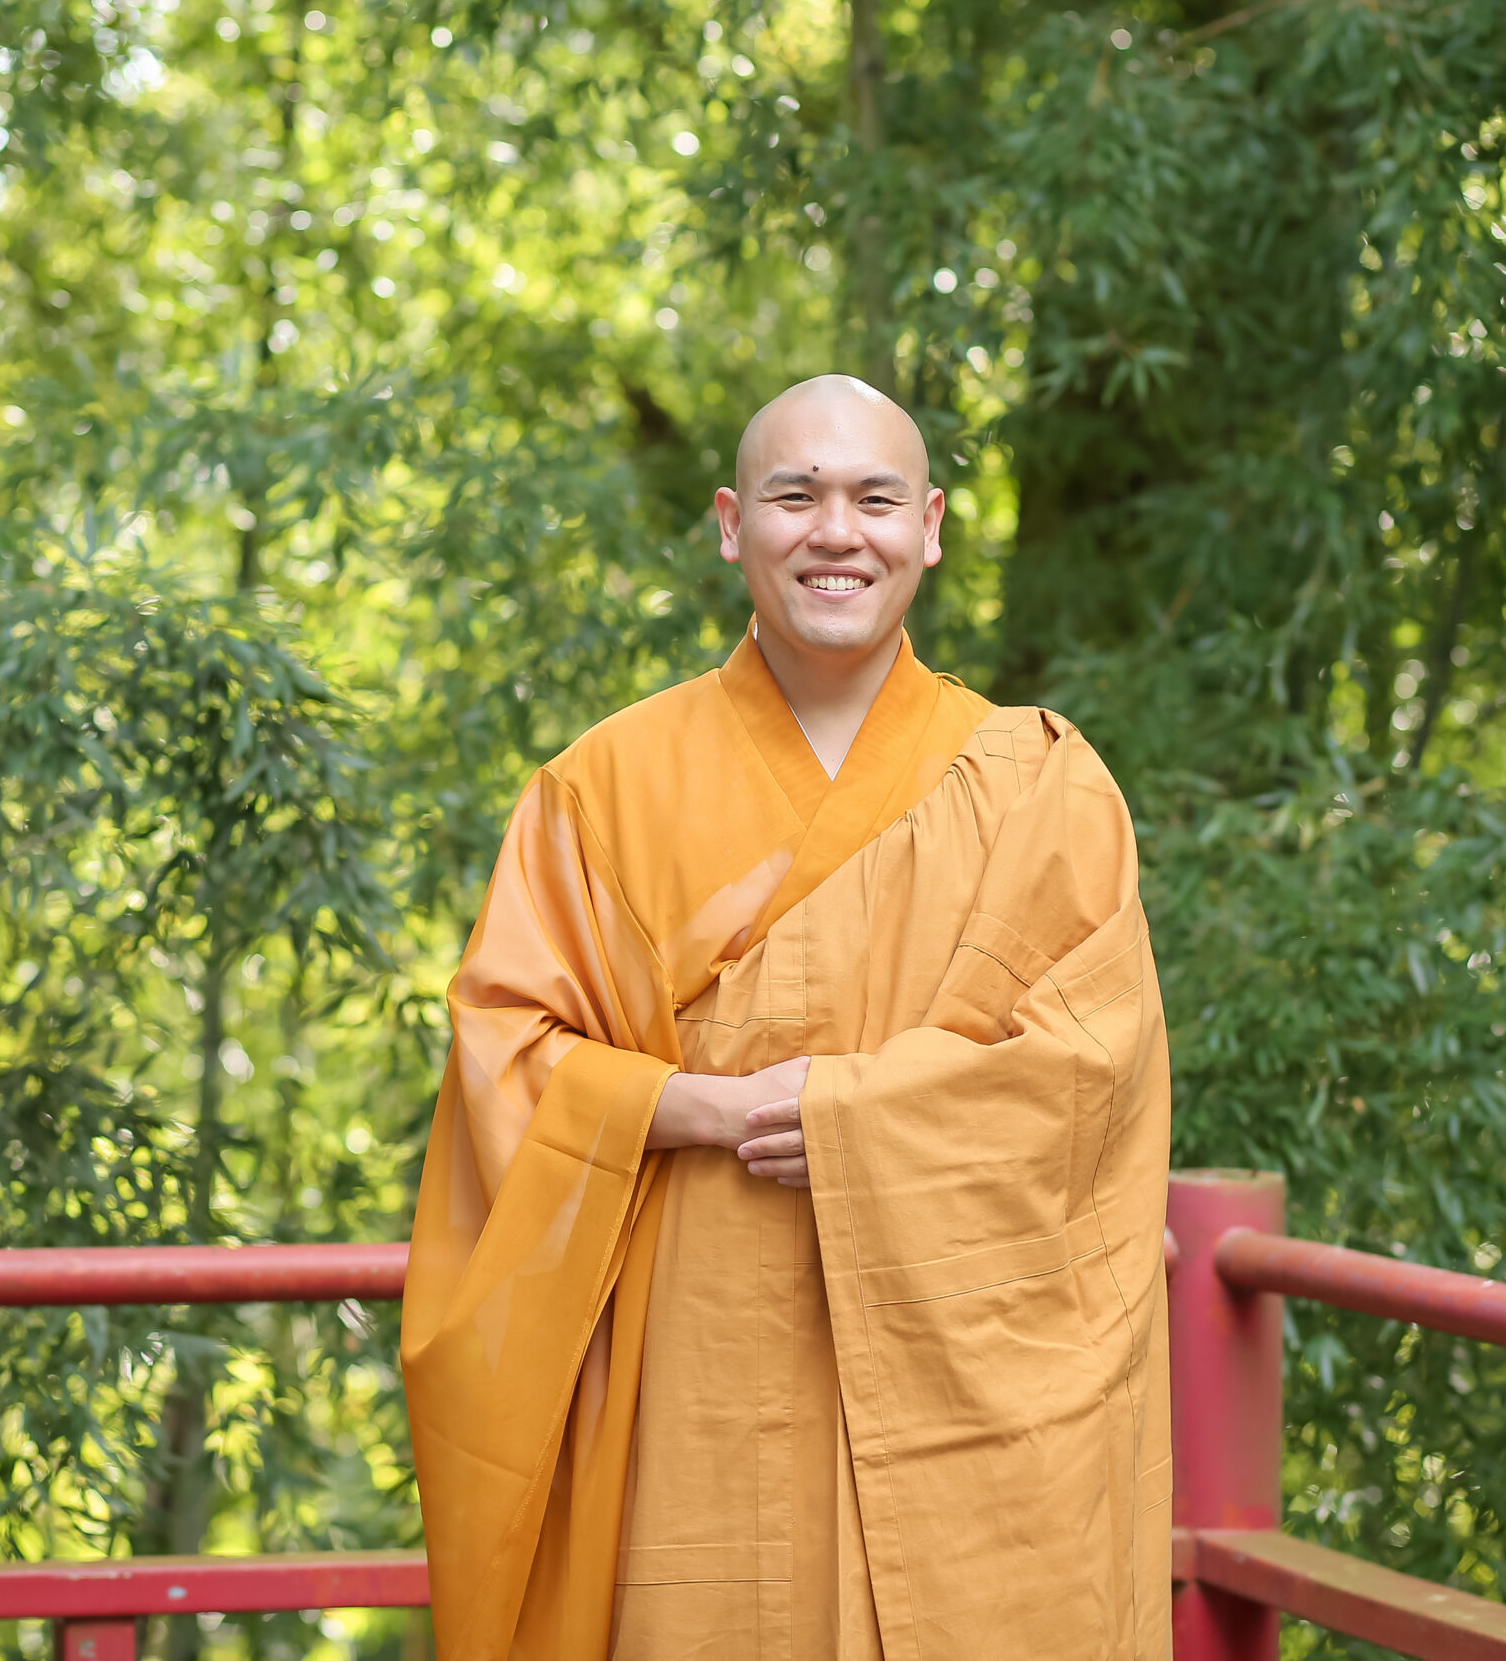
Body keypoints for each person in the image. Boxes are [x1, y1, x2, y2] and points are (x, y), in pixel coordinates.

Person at [401, 375, 1172, 1660]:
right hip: (696, 1348)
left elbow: (1089, 1075)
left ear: (929, 526)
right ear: (729, 522)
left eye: (875, 498)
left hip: (956, 1360)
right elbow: (505, 1052)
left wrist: (853, 1112)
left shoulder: (1041, 785)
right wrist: (695, 1105)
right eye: (794, 495)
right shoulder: (601, 786)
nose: (836, 531)